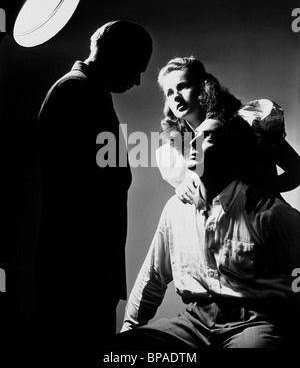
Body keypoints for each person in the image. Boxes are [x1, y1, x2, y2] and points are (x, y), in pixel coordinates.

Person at [109, 114, 300, 349]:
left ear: (234, 152)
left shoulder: (268, 213)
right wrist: (128, 330)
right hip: (194, 322)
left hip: (254, 322)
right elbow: (152, 278)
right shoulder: (176, 210)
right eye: (194, 135)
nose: (193, 142)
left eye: (208, 137)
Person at [36, 20, 152, 346]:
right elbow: (85, 190)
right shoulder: (76, 92)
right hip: (78, 270)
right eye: (137, 68)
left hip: (87, 268)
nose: (139, 80)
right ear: (117, 55)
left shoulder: (87, 90)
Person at [155, 56, 300, 213]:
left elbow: (297, 168)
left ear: (204, 87)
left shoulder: (248, 123)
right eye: (169, 93)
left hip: (263, 221)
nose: (176, 96)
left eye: (183, 86)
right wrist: (183, 186)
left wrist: (271, 186)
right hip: (217, 229)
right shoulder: (177, 148)